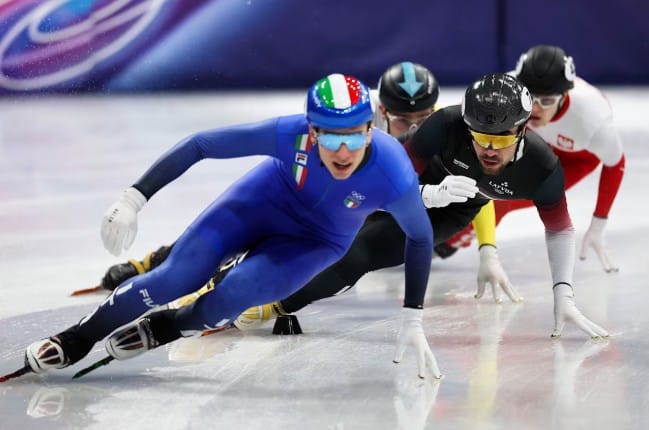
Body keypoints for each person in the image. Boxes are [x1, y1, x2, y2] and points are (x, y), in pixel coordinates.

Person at [23, 73, 442, 379]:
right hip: (262, 202)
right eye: (331, 138)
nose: (344, 151)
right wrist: (134, 198)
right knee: (173, 278)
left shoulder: (393, 171)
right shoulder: (290, 134)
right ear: (312, 132)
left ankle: (169, 327)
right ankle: (78, 337)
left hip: (317, 240)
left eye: (354, 136)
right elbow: (202, 145)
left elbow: (421, 237)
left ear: (370, 129)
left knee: (228, 300)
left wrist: (412, 318)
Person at [236, 73, 609, 340]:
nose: (489, 150)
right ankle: (237, 256)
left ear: (524, 130)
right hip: (407, 181)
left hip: (454, 209)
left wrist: (562, 291)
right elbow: (384, 184)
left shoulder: (543, 169)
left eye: (501, 140)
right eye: (480, 136)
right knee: (327, 216)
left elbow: (559, 230)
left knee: (362, 253)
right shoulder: (444, 126)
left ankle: (275, 305)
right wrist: (429, 193)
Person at [439, 45, 625, 288]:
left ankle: (443, 244)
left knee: (499, 199)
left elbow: (615, 164)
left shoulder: (593, 121)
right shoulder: (505, 91)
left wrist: (598, 224)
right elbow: (462, 124)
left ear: (565, 95)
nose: (536, 108)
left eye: (547, 101)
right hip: (530, 143)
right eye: (530, 97)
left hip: (575, 159)